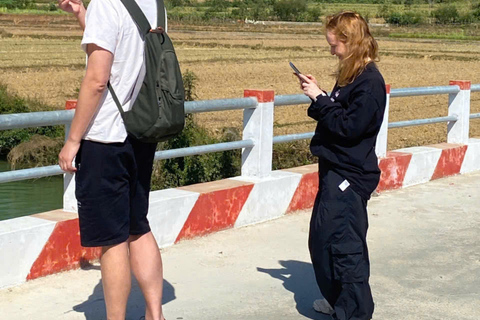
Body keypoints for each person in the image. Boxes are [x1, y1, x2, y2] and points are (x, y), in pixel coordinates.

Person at [58, 0, 167, 319]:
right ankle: (155, 314)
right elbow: (125, 54)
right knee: (138, 226)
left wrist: (73, 140)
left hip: (106, 138)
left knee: (112, 240)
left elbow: (98, 79)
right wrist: (82, 16)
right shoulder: (153, 4)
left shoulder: (107, 4)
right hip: (141, 132)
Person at [296, 11, 386, 320]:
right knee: (323, 239)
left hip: (349, 174)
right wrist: (320, 95)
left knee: (344, 246)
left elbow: (349, 127)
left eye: (334, 44)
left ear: (350, 42)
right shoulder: (351, 76)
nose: (332, 50)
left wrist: (320, 98)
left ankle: (355, 312)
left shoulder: (370, 82)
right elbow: (335, 113)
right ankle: (339, 301)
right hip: (334, 170)